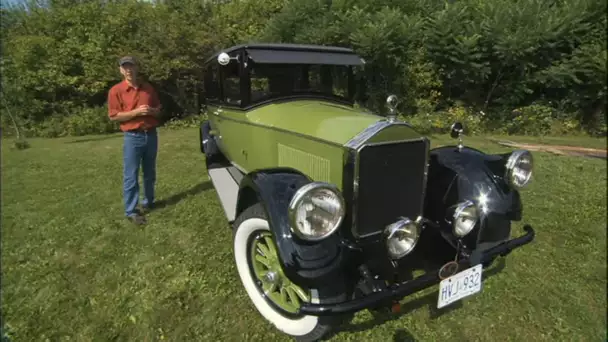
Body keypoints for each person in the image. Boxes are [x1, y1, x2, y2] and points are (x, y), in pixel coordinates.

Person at [107, 56, 162, 225]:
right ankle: (131, 210)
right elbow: (114, 116)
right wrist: (136, 113)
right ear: (121, 70)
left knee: (149, 172)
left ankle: (149, 202)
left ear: (137, 68)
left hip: (151, 134)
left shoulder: (148, 88)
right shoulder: (116, 91)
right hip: (133, 137)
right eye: (125, 67)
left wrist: (151, 111)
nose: (129, 70)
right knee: (131, 175)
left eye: (131, 66)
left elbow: (159, 109)